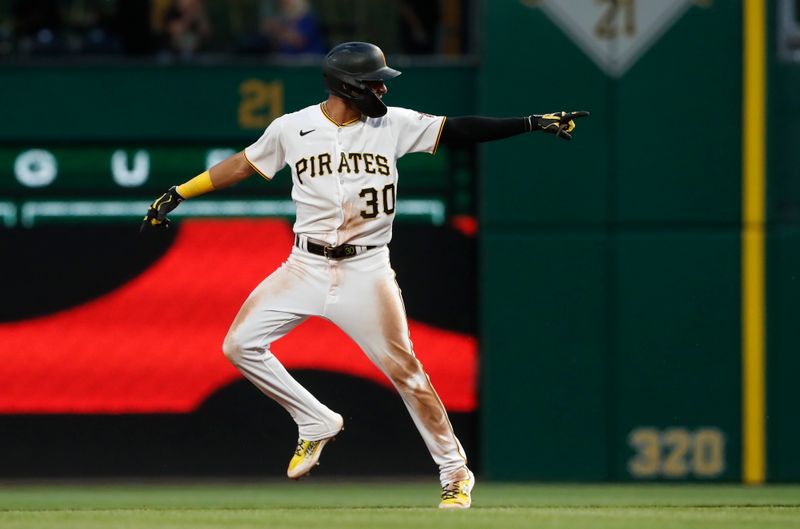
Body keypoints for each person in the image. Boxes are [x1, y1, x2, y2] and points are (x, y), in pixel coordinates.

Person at [141, 41, 588, 509]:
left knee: (407, 372)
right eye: (375, 80)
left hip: (365, 268)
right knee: (239, 345)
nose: (382, 87)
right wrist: (179, 192)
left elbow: (459, 130)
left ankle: (456, 473)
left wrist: (530, 123)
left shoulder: (391, 125)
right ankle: (314, 420)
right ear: (347, 85)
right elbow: (242, 164)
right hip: (304, 265)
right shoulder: (293, 128)